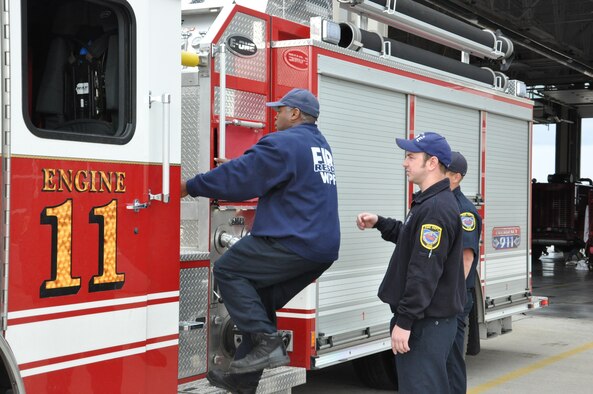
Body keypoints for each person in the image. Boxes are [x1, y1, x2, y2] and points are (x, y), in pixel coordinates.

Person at [181, 88, 340, 393]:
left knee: (229, 271)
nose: (275, 114)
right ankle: (242, 381)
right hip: (319, 248)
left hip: (293, 241)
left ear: (294, 114)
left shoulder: (285, 142)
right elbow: (268, 175)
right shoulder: (317, 144)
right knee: (258, 299)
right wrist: (243, 168)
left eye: (280, 110)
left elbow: (242, 178)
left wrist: (191, 186)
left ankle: (268, 343)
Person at [356, 132, 465, 393]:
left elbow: (424, 272)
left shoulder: (435, 209)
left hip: (425, 323)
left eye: (411, 157)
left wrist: (404, 322)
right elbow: (411, 240)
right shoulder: (429, 202)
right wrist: (380, 222)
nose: (405, 163)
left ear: (431, 162)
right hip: (431, 320)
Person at [445, 151, 482, 394]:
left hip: (455, 298)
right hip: (445, 297)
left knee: (452, 359)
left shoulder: (464, 211)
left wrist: (450, 298)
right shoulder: (437, 202)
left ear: (456, 177)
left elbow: (465, 259)